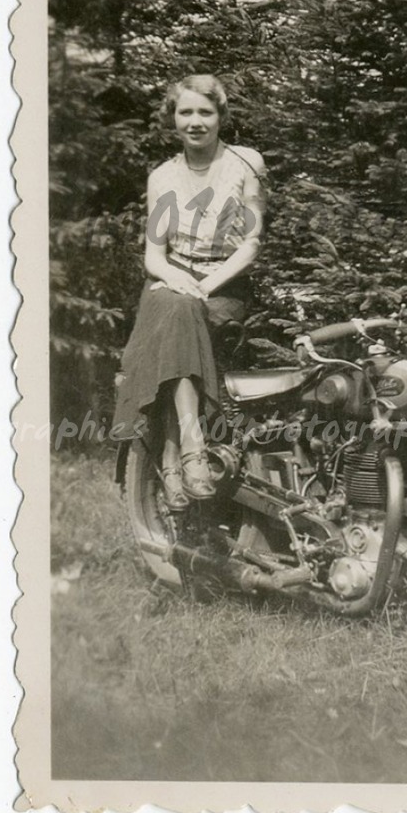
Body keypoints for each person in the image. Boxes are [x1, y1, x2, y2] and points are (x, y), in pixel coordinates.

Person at [114, 74, 265, 511]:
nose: (195, 122)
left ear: (221, 116)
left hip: (224, 284)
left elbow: (251, 244)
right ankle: (192, 448)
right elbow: (154, 256)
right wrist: (179, 280)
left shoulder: (246, 164)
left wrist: (204, 285)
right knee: (177, 306)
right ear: (172, 118)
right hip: (171, 281)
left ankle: (171, 451)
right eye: (186, 112)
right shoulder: (162, 177)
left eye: (205, 112)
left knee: (183, 309)